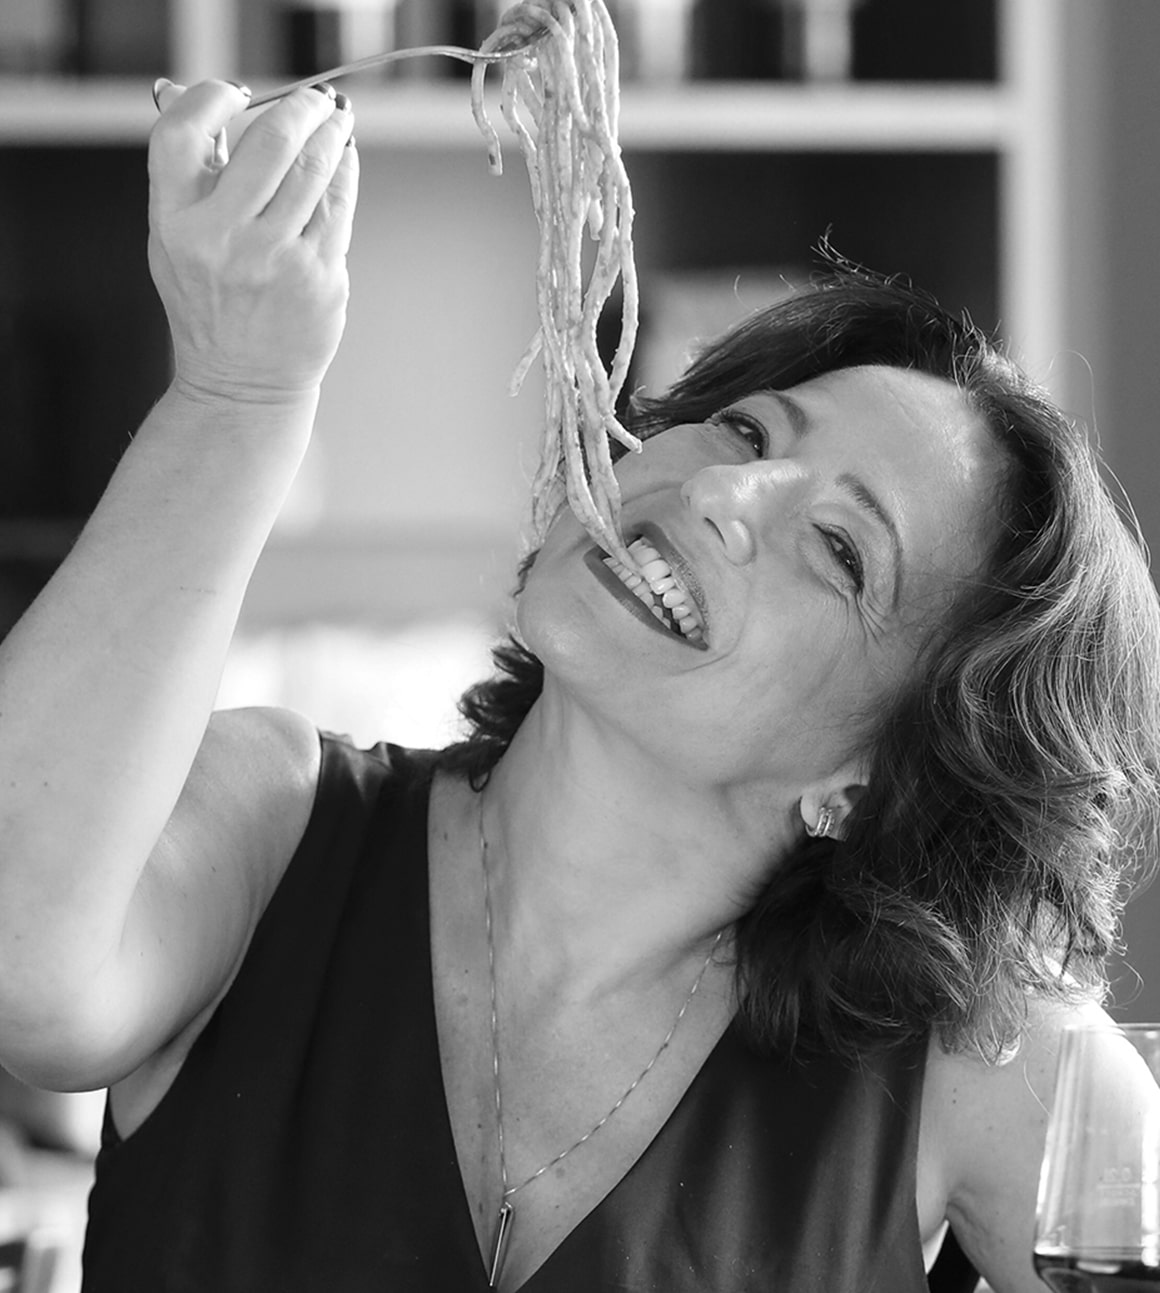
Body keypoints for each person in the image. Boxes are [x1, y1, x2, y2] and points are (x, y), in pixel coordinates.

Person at [0, 76, 1158, 1293]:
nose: (720, 490)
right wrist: (237, 394)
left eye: (837, 549)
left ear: (879, 778)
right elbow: (23, 963)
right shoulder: (275, 824)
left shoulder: (980, 1072)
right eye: (749, 431)